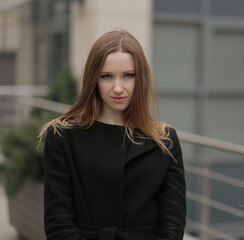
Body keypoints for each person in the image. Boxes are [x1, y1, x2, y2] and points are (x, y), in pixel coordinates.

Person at [39, 30, 186, 240]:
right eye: (107, 76)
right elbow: (58, 221)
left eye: (128, 75)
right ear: (94, 79)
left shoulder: (165, 140)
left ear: (141, 78)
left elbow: (172, 223)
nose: (118, 88)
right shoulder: (62, 136)